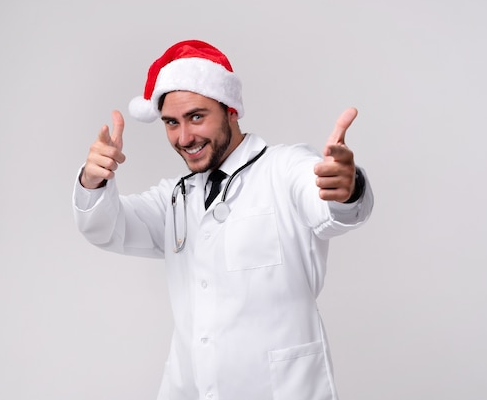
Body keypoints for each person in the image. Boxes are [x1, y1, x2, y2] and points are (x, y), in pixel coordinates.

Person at [72, 39, 374, 400]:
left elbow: (327, 207)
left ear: (231, 110)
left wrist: (347, 186)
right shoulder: (176, 199)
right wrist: (93, 180)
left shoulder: (285, 168)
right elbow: (107, 228)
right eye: (171, 123)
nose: (184, 137)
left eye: (197, 117)